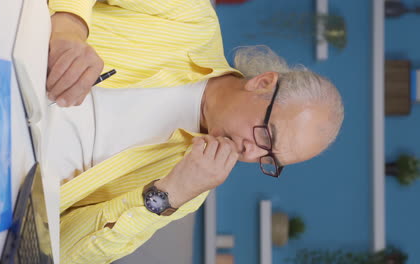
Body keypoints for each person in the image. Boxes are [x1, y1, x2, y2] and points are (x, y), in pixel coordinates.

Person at [45, 0, 344, 263]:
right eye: (266, 135)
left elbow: (60, 252)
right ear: (263, 82)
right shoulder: (191, 19)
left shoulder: (187, 191)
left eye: (269, 159)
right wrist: (69, 28)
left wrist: (168, 194)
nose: (249, 153)